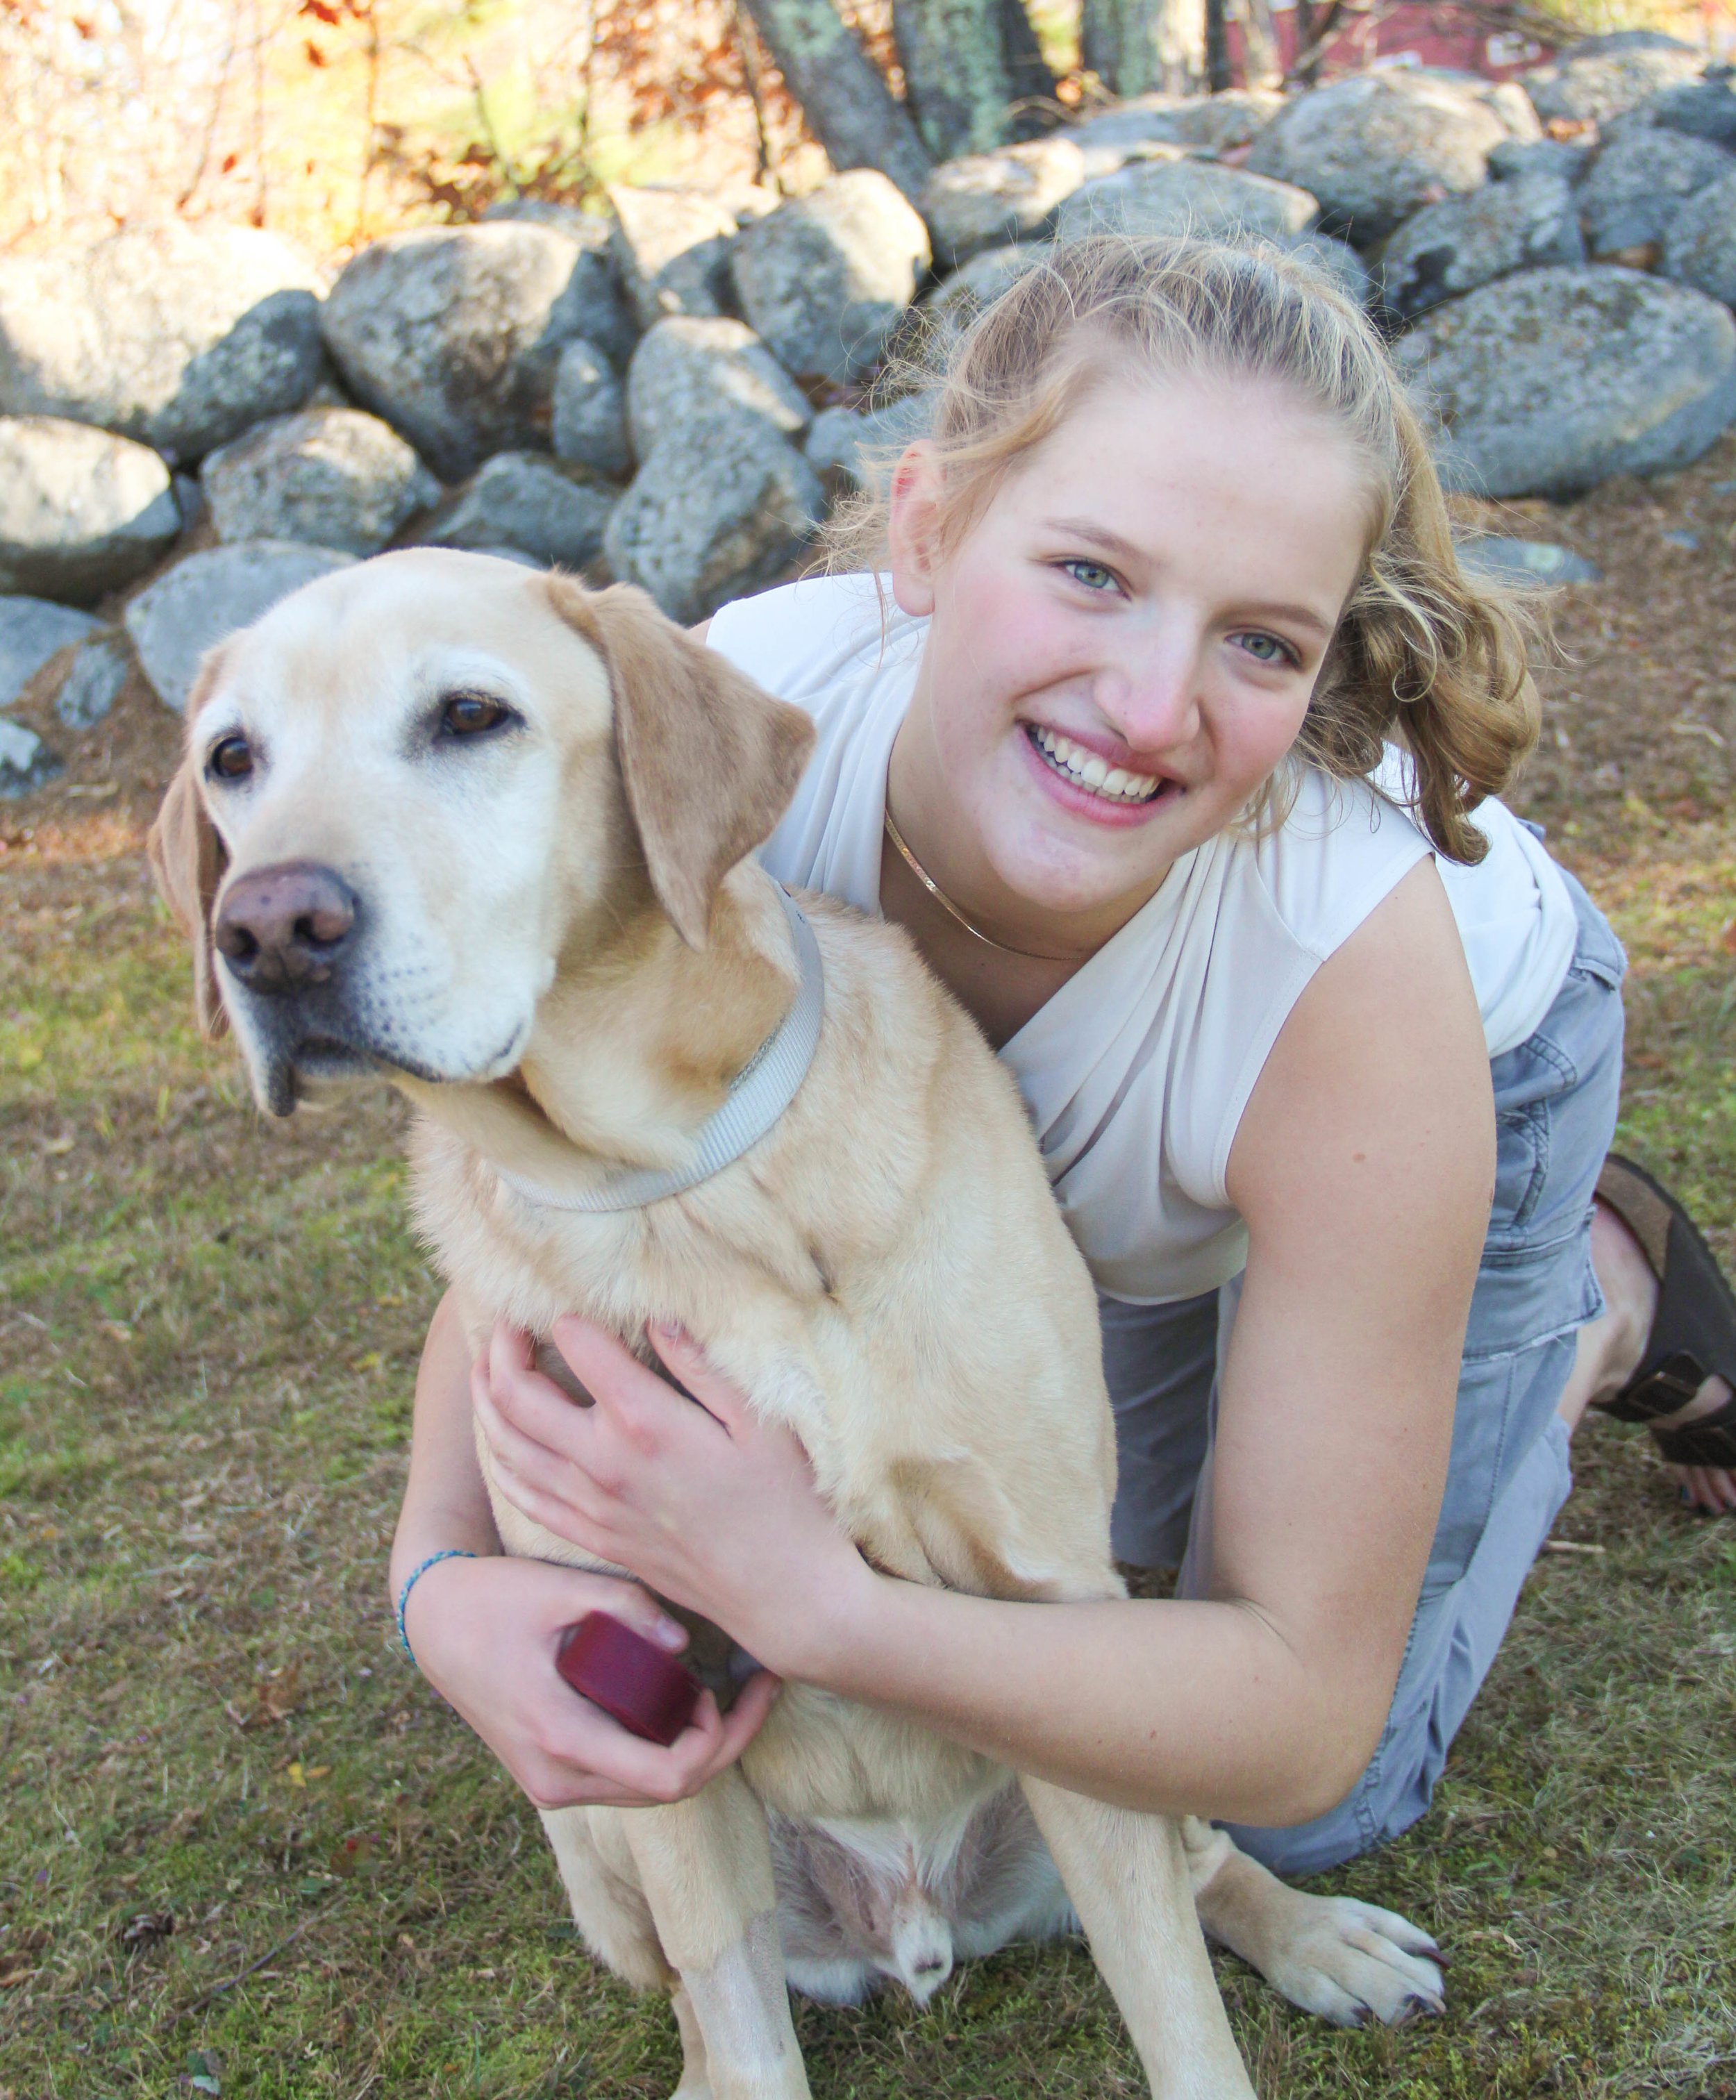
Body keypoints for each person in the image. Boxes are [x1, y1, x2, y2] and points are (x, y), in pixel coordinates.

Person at [390, 238, 1736, 1878]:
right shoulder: (738, 754)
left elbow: (1296, 1705)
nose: (1151, 705)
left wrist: (818, 1611)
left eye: (1259, 641)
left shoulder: (1355, 982)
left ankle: (1588, 1298)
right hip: (1043, 1146)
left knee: (1284, 1807)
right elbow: (548, 1189)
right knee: (1087, 1562)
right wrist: (438, 1577)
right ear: (927, 529)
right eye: (1091, 574)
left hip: (1449, 1095)